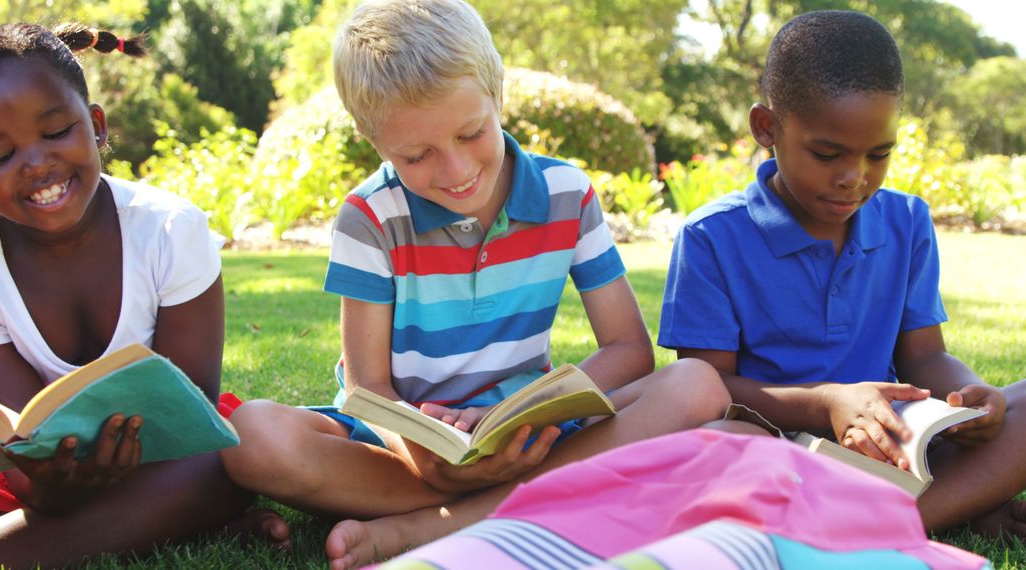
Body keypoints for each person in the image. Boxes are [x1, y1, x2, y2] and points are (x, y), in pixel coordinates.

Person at [218, 1, 731, 567]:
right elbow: (369, 388)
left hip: (534, 434)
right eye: (416, 155)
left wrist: (535, 411)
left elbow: (630, 350)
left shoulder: (568, 193)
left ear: (498, 95)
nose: (456, 171)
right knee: (251, 435)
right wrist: (425, 457)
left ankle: (435, 524)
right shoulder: (371, 217)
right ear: (374, 140)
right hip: (409, 445)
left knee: (696, 385)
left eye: (471, 133)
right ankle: (507, 499)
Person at [659, 10, 1026, 540]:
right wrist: (828, 400)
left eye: (879, 155)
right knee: (717, 443)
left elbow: (924, 356)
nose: (854, 179)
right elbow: (706, 389)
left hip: (894, 446)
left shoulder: (906, 221)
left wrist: (973, 395)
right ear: (767, 128)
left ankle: (887, 517)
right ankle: (946, 507)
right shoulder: (713, 237)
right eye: (827, 154)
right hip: (781, 450)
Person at [0, 23, 288, 567]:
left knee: (234, 453)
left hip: (169, 461)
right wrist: (58, 489)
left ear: (97, 126)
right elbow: (19, 464)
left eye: (56, 132)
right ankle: (163, 526)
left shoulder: (172, 230)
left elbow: (190, 425)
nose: (36, 163)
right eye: (0, 155)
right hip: (38, 487)